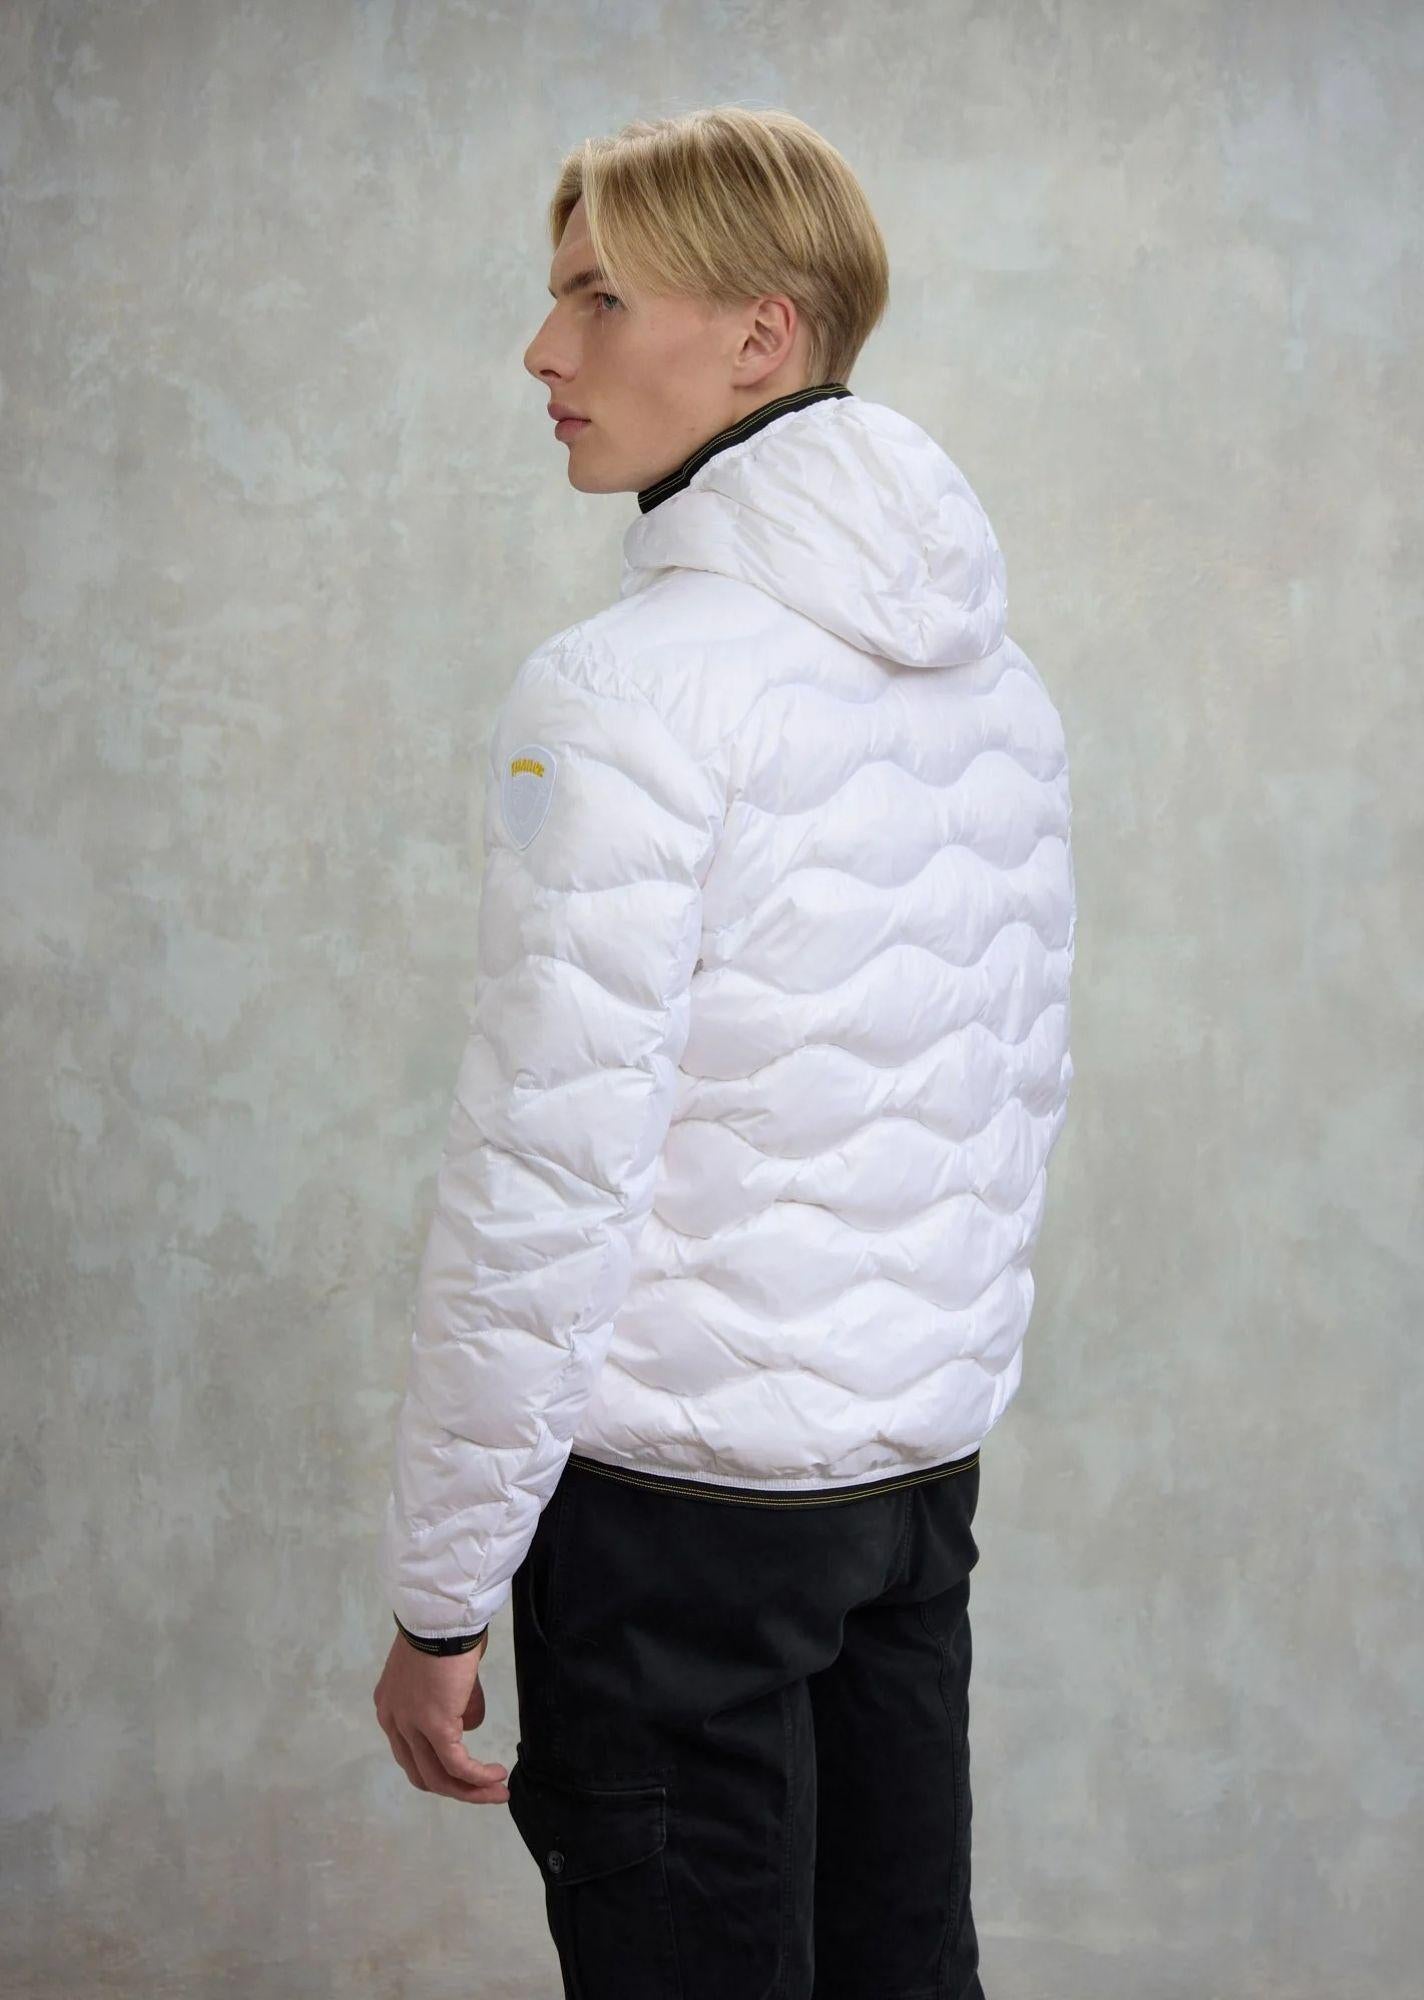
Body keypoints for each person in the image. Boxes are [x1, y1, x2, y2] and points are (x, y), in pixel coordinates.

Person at [372, 103, 1076, 2000]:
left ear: (763, 335)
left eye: (600, 299)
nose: (544, 350)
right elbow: (1001, 1103)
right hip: (907, 1500)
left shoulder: (622, 694)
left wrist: (441, 1596)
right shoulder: (995, 687)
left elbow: (546, 1178)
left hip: (672, 1537)